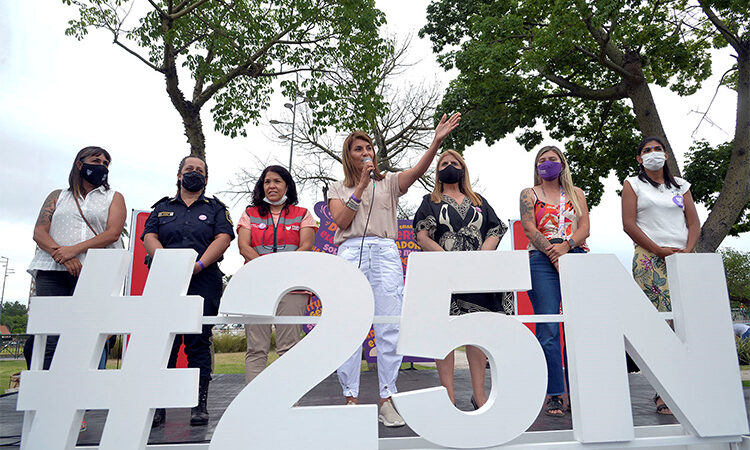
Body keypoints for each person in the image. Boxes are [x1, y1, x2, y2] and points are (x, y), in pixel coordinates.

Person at [328, 112, 461, 427]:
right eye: (358, 149)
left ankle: (387, 398)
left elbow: (417, 171)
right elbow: (341, 222)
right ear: (349, 155)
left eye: (369, 148)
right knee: (350, 325)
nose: (365, 153)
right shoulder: (337, 188)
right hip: (350, 252)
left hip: (386, 253)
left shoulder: (388, 183)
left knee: (389, 327)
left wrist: (436, 142)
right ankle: (350, 397)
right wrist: (359, 187)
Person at [26, 146, 126, 432]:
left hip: (95, 273)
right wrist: (62, 254)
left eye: (106, 162)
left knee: (85, 341)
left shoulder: (113, 197)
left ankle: (75, 410)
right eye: (96, 160)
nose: (102, 165)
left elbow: (112, 233)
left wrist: (75, 251)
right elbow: (39, 232)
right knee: (48, 340)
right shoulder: (57, 196)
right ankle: (44, 407)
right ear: (80, 164)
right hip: (52, 271)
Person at [142, 155, 234, 427]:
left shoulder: (216, 208)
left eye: (200, 171)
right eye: (188, 169)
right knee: (165, 344)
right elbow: (149, 236)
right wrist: (167, 263)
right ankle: (159, 407)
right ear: (179, 176)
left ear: (206, 179)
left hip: (202, 279)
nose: (194, 173)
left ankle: (198, 404)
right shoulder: (161, 208)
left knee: (197, 343)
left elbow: (224, 237)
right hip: (165, 281)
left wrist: (199, 264)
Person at [412, 149, 507, 409]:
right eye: (444, 163)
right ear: (437, 171)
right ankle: (448, 397)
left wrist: (480, 258)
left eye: (455, 163)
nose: (450, 166)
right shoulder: (429, 201)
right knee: (445, 334)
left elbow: (495, 229)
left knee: (476, 332)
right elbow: (422, 235)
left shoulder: (479, 201)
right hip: (442, 274)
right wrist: (448, 261)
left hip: (477, 275)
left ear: (463, 169)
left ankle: (479, 395)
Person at [621, 136, 700, 415]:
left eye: (657, 149)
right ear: (639, 159)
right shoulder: (633, 184)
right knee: (662, 323)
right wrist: (657, 249)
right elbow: (628, 224)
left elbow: (693, 222)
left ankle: (685, 386)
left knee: (685, 323)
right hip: (649, 259)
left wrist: (687, 251)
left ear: (666, 154)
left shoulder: (681, 186)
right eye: (646, 150)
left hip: (681, 259)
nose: (653, 153)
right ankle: (663, 393)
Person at [519, 145, 590, 417]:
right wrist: (552, 251)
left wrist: (567, 246)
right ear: (536, 166)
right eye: (542, 160)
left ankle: (579, 390)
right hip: (540, 260)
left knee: (578, 328)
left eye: (553, 159)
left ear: (562, 163)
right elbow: (528, 227)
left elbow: (585, 228)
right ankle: (555, 393)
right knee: (548, 327)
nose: (547, 164)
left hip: (576, 256)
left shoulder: (577, 194)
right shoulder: (530, 194)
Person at [237, 165, 316, 384]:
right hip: (256, 286)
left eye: (277, 181)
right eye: (267, 182)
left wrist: (281, 273)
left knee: (289, 348)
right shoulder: (249, 213)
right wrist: (268, 272)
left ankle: (289, 404)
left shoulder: (303, 214)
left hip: (293, 288)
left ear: (287, 185)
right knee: (256, 349)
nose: (271, 186)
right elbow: (244, 246)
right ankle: (255, 405)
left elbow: (306, 245)